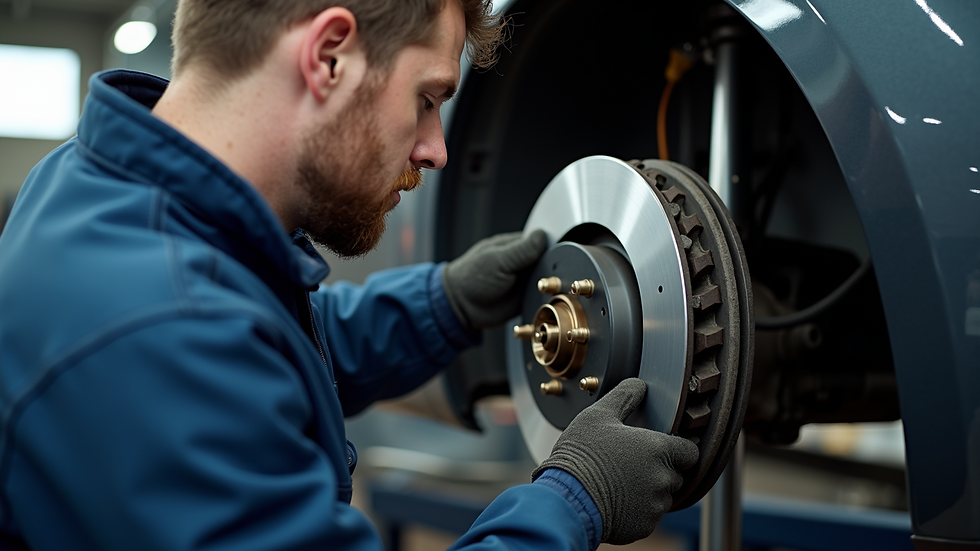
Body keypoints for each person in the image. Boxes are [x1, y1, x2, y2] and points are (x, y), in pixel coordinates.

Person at [0, 0, 699, 549]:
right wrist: (575, 498)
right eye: (427, 98)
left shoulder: (102, 187)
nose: (436, 150)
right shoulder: (158, 329)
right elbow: (203, 351)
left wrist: (445, 301)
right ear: (328, 56)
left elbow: (266, 347)